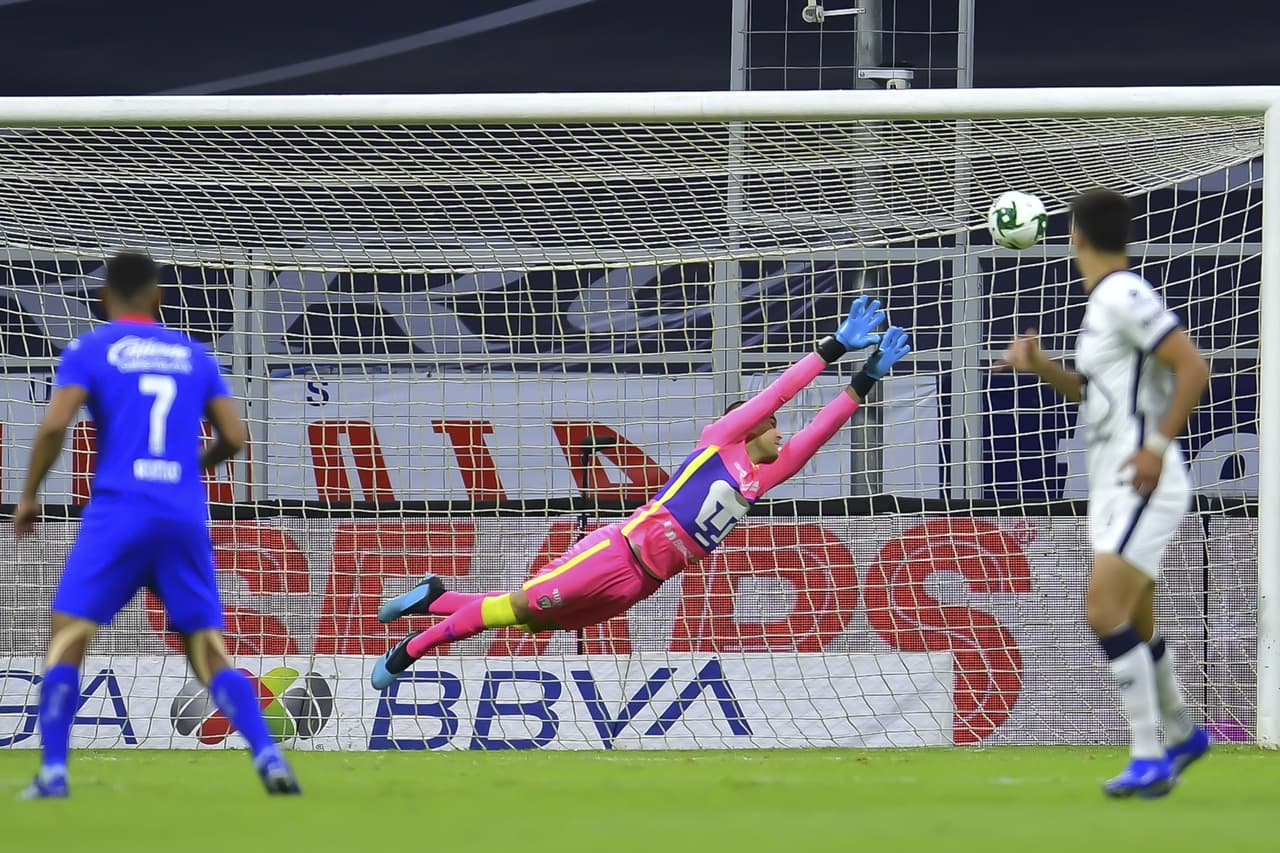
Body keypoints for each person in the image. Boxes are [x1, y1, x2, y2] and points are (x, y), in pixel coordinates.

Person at [370, 296, 911, 688]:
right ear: (749, 427)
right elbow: (779, 391)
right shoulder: (721, 443)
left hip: (642, 583)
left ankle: (436, 597)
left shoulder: (759, 479)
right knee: (516, 605)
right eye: (772, 426)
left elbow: (817, 435)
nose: (781, 431)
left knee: (535, 619)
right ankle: (412, 649)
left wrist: (865, 379)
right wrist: (834, 347)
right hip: (616, 552)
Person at [14, 252, 301, 799]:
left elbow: (55, 426)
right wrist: (190, 468)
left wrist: (29, 495)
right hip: (182, 513)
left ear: (102, 300)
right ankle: (267, 754)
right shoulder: (193, 354)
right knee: (207, 648)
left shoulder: (92, 349)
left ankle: (53, 772)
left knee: (70, 633)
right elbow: (236, 439)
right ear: (158, 297)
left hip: (119, 509)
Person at [998, 189, 1211, 798]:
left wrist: (1156, 446)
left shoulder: (1123, 293)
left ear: (1075, 235)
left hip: (1145, 477)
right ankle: (1183, 733)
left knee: (1102, 610)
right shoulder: (1102, 306)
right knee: (1136, 620)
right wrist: (1041, 366)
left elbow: (1194, 367)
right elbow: (1100, 400)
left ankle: (1148, 756)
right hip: (1117, 483)